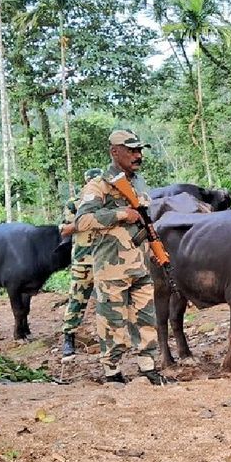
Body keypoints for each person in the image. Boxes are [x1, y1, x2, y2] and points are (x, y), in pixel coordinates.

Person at [75, 129, 170, 384]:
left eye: (139, 150)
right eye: (131, 151)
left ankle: (148, 368)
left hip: (140, 264)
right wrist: (119, 215)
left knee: (146, 319)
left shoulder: (137, 182)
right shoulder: (99, 185)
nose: (137, 155)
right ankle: (112, 373)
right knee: (112, 322)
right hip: (112, 268)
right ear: (114, 152)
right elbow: (81, 220)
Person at [59, 168, 103, 360]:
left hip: (106, 260)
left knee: (111, 303)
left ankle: (111, 343)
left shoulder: (108, 202)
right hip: (83, 261)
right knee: (77, 300)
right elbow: (64, 229)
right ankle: (68, 338)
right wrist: (86, 221)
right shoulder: (74, 204)